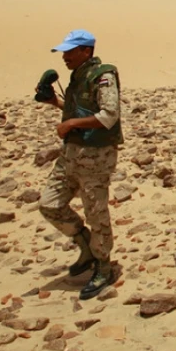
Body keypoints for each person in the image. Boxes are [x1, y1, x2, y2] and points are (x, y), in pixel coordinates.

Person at [37, 29, 122, 300]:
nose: (65, 57)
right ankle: (85, 245)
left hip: (96, 156)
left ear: (87, 51)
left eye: (71, 51)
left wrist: (71, 123)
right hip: (71, 155)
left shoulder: (104, 75)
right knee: (49, 204)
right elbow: (80, 111)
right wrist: (55, 102)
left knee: (96, 212)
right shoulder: (77, 78)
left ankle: (103, 265)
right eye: (64, 52)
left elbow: (109, 115)